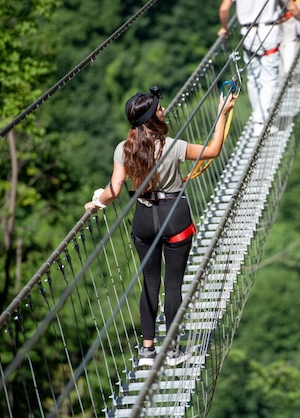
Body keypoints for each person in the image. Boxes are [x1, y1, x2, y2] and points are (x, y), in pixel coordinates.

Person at [84, 86, 236, 367]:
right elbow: (213, 150)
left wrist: (96, 203)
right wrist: (222, 114)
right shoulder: (173, 145)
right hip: (175, 216)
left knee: (150, 283)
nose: (164, 110)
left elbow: (115, 189)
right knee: (174, 285)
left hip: (144, 217)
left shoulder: (124, 149)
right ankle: (174, 350)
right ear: (154, 117)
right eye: (160, 108)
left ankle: (147, 350)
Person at [217, 0, 300, 136]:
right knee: (270, 79)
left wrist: (224, 27)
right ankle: (261, 121)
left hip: (247, 34)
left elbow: (224, 10)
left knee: (253, 78)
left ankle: (258, 122)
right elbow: (291, 6)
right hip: (269, 33)